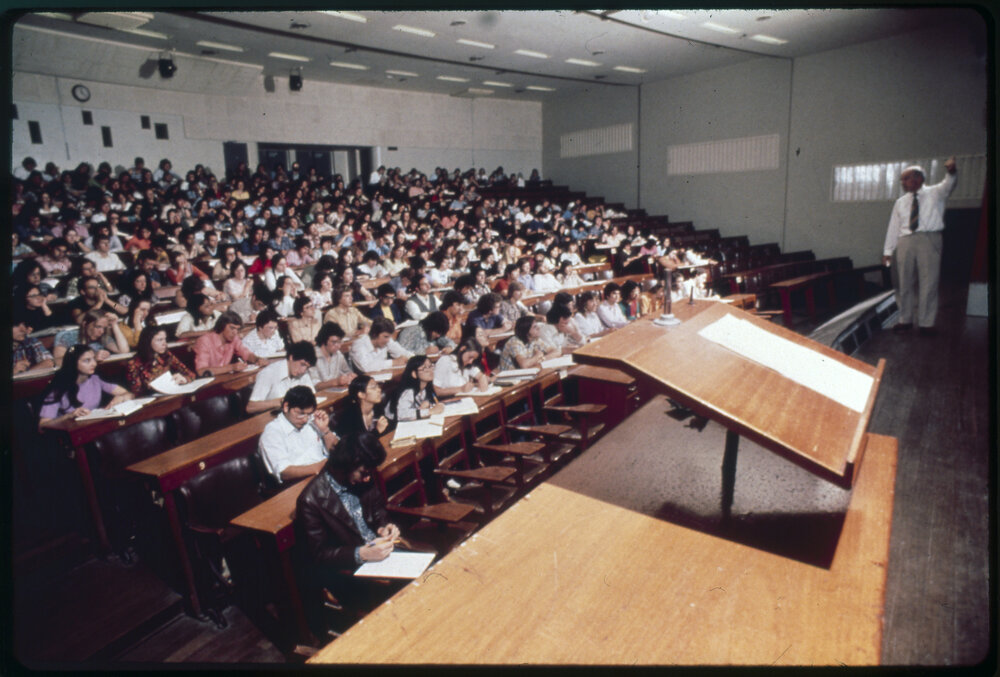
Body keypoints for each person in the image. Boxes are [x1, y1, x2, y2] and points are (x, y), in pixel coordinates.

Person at [295, 432, 402, 618]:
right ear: (347, 464)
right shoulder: (310, 500)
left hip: (382, 557)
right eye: (364, 473)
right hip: (350, 572)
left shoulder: (362, 478)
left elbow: (378, 511)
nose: (368, 479)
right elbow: (319, 555)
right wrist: (361, 554)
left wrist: (383, 527)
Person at [882, 156, 958, 334]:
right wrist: (888, 251)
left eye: (906, 178)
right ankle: (905, 319)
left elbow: (950, 183)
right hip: (905, 241)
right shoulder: (900, 202)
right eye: (902, 180)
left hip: (929, 239)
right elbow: (893, 227)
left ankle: (926, 323)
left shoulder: (936, 192)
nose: (903, 182)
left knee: (929, 281)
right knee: (903, 282)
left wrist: (952, 171)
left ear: (919, 178)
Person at [38, 344, 134, 429]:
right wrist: (68, 416)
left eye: (94, 359)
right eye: (87, 360)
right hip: (71, 433)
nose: (94, 364)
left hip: (92, 427)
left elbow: (129, 394)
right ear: (73, 363)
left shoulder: (95, 380)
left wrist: (121, 398)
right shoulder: (58, 388)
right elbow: (42, 426)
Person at [258, 386, 338, 485]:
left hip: (325, 474)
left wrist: (325, 430)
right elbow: (284, 472)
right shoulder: (272, 433)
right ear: (286, 407)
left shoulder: (312, 420)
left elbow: (336, 450)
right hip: (299, 483)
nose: (305, 419)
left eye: (309, 414)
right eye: (301, 414)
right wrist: (320, 466)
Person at [246, 341, 317, 414]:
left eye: (307, 367)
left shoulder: (304, 374)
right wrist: (279, 402)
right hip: (272, 416)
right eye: (302, 364)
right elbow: (251, 407)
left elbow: (313, 397)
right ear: (291, 357)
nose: (303, 370)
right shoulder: (269, 373)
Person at [125, 325, 197, 394]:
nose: (164, 344)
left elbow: (191, 374)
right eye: (159, 340)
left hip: (170, 394)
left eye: (165, 339)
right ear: (148, 341)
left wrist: (184, 379)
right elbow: (136, 392)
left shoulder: (166, 355)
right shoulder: (134, 363)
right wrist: (149, 387)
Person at [192, 310, 267, 377]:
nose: (235, 332)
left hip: (223, 380)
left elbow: (246, 353)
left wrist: (257, 359)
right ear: (222, 326)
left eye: (237, 329)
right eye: (232, 328)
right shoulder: (204, 341)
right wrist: (231, 367)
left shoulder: (234, 338)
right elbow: (201, 371)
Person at [52, 309, 128, 366]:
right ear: (85, 324)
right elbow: (58, 362)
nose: (101, 331)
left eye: (104, 328)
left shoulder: (102, 337)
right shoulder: (66, 336)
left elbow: (124, 351)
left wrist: (114, 324)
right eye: (98, 327)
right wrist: (91, 358)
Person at [386, 355, 444, 423]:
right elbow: (401, 414)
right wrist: (429, 411)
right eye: (424, 368)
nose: (430, 371)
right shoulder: (408, 391)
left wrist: (429, 405)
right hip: (393, 424)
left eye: (430, 366)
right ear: (414, 374)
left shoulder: (426, 388)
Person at [349, 317, 413, 373]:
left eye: (389, 337)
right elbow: (366, 367)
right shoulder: (359, 345)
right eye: (386, 336)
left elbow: (402, 352)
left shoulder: (386, 340)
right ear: (375, 334)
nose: (388, 340)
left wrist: (413, 359)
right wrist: (393, 362)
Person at [310, 322, 356, 390]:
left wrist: (351, 376)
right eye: (334, 342)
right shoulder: (312, 356)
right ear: (324, 340)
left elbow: (347, 372)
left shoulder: (338, 354)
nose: (338, 346)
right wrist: (335, 382)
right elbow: (315, 386)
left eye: (339, 342)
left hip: (336, 391)